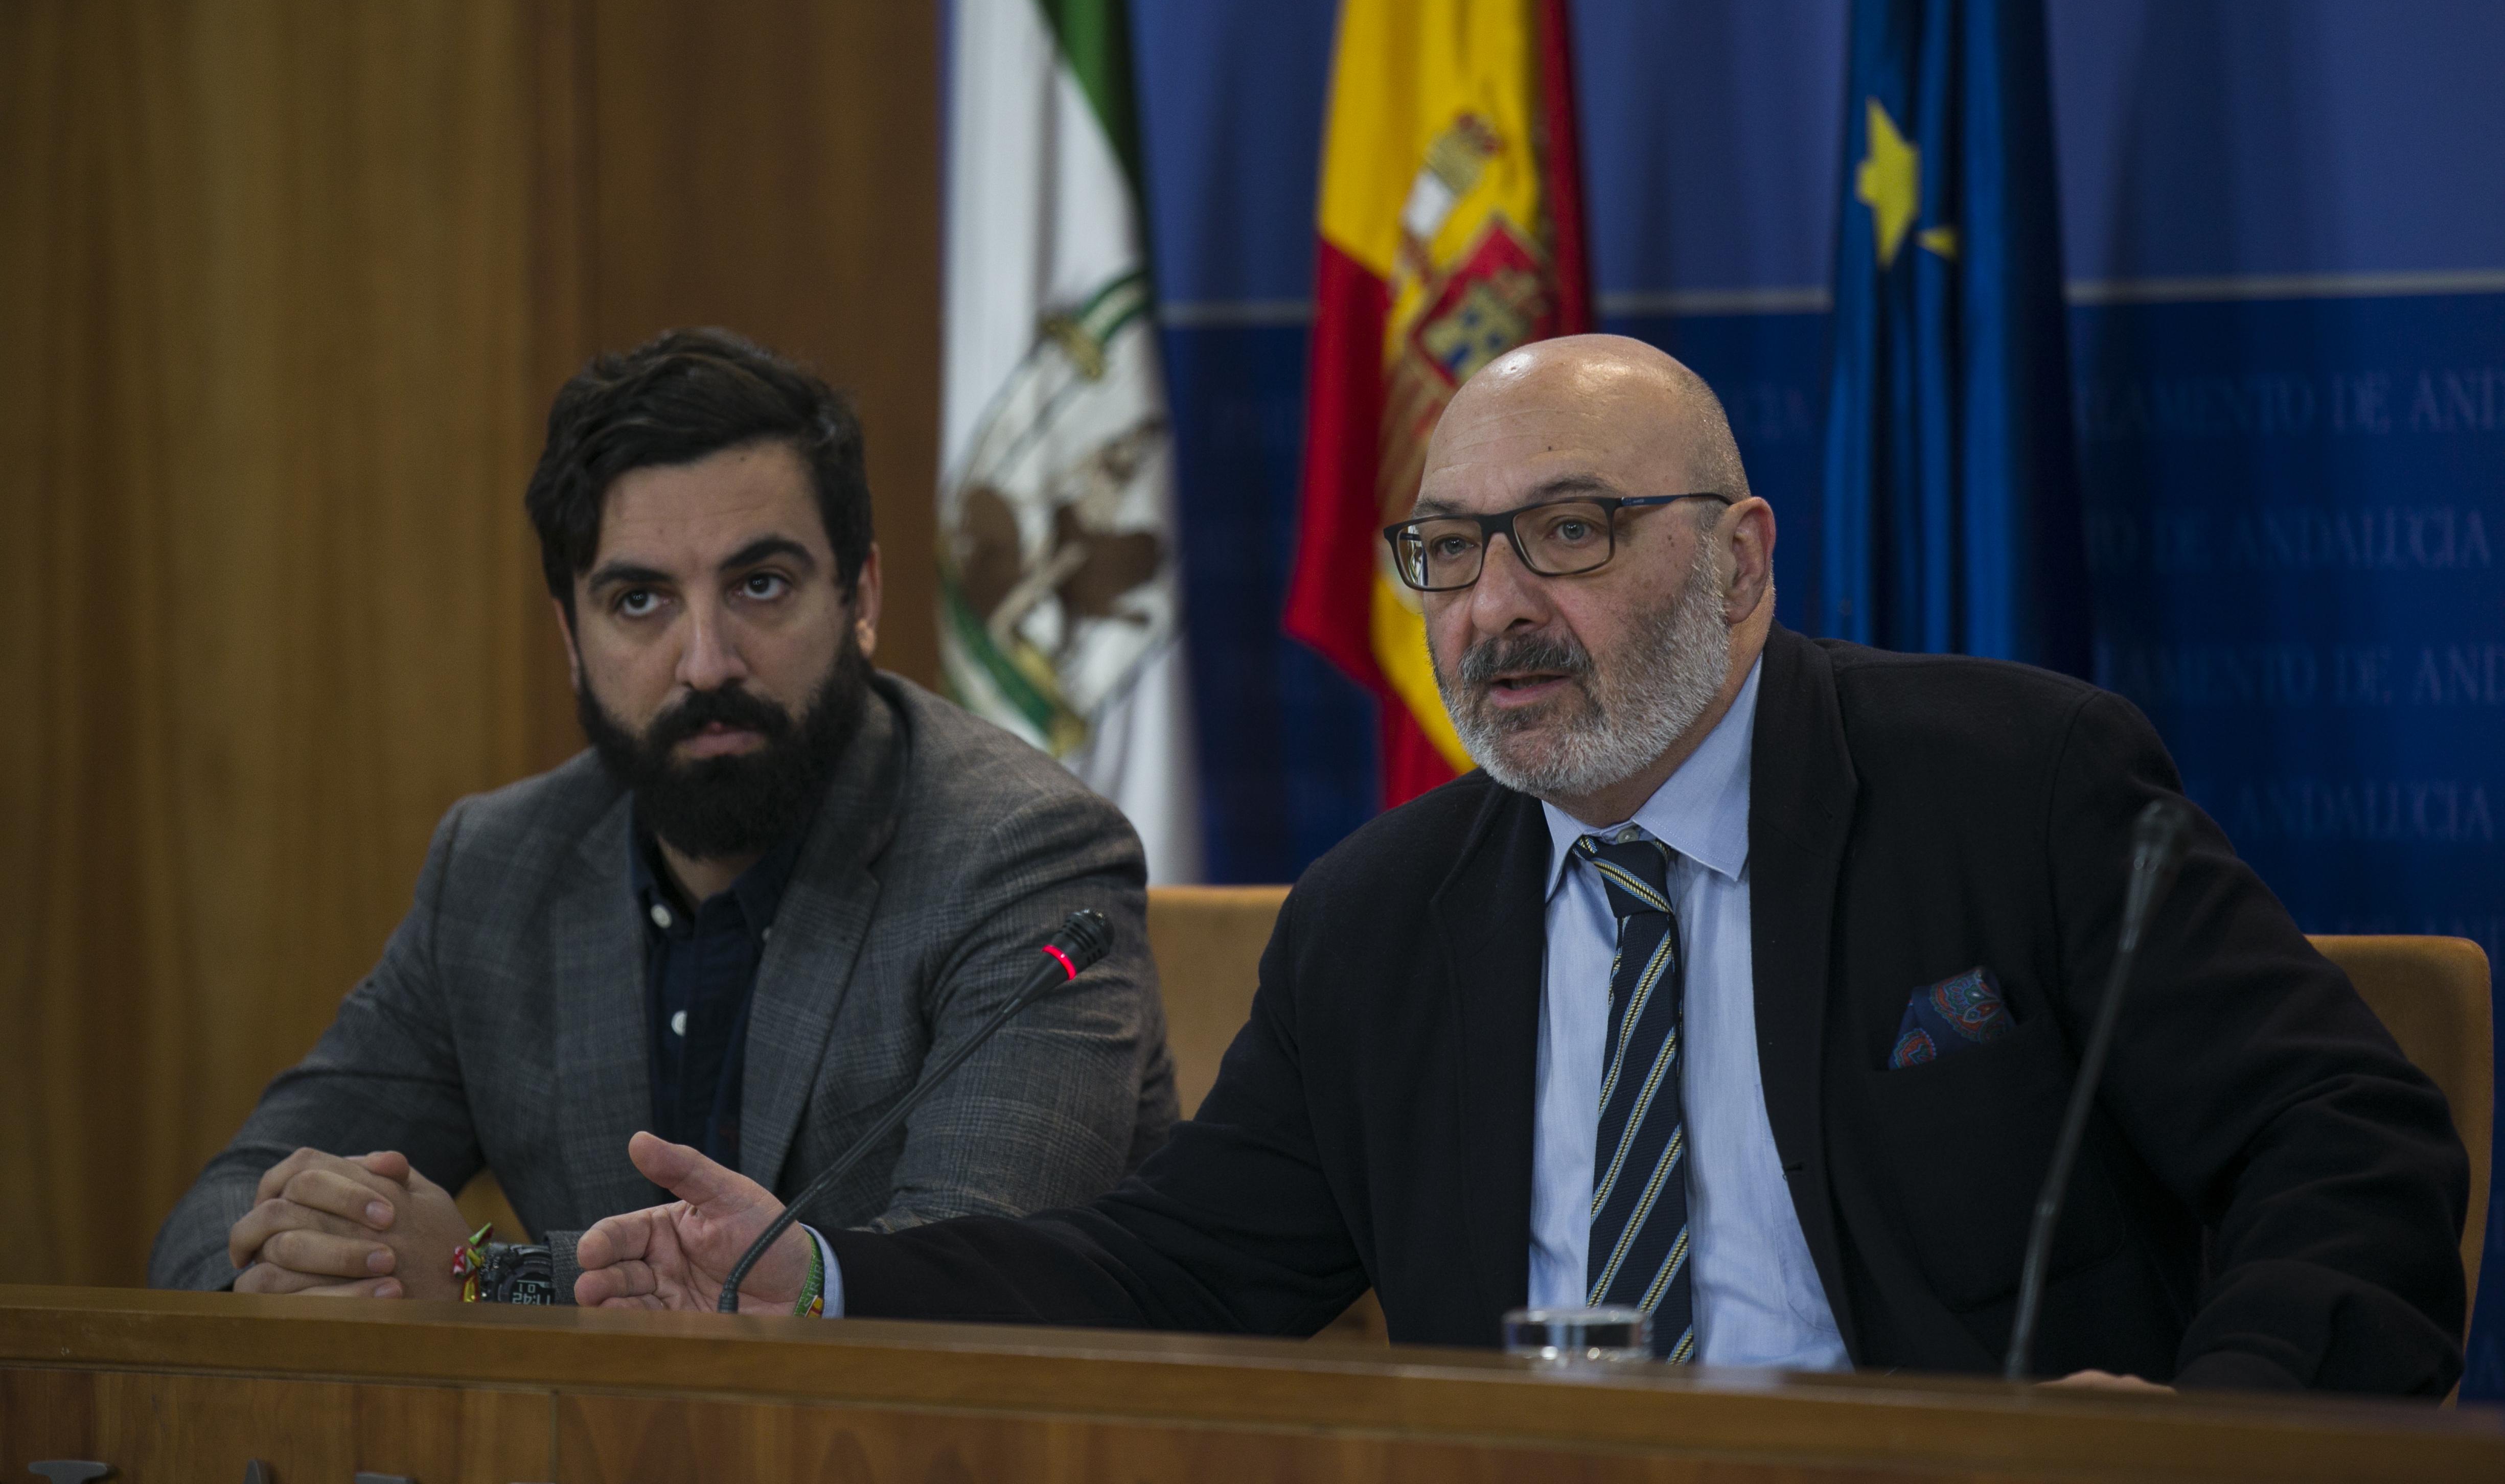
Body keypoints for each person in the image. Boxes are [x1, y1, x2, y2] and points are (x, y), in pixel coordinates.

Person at [573, 334, 2467, 1394]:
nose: (1495, 609)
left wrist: (2207, 1438)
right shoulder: (1383, 921)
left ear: (1737, 562)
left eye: (1567, 530)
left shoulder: (2012, 782)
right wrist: (816, 1273)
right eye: (1447, 554)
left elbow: (2344, 1135)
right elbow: (1167, 1265)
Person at [150, 328, 1178, 1305]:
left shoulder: (1023, 856)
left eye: (761, 585)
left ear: (860, 595)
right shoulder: (500, 868)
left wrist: (481, 1280)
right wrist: (304, 1254)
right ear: (571, 634)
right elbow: (218, 1216)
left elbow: (969, 1282)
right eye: (640, 601)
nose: (705, 661)